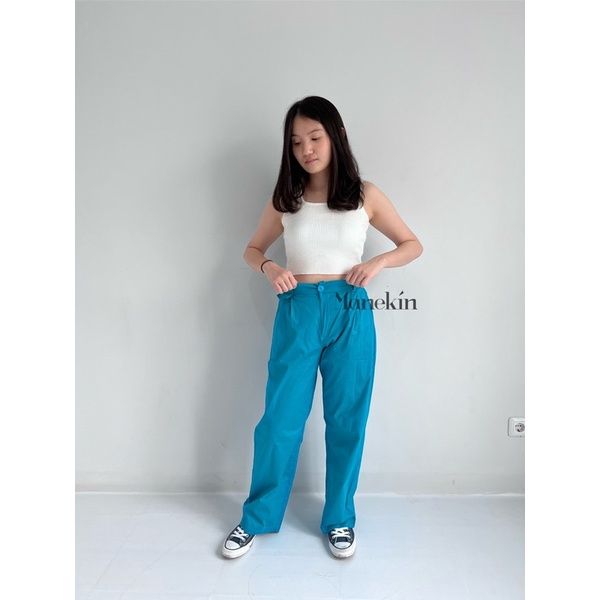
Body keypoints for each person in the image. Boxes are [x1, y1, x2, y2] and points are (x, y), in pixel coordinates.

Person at [221, 96, 423, 559]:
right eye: (296, 142)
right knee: (280, 420)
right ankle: (257, 517)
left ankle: (340, 519)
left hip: (350, 308)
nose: (306, 149)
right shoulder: (286, 199)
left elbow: (412, 244)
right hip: (298, 309)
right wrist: (270, 268)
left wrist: (378, 262)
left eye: (315, 137)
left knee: (347, 419)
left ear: (336, 136)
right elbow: (252, 249)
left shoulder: (365, 195)